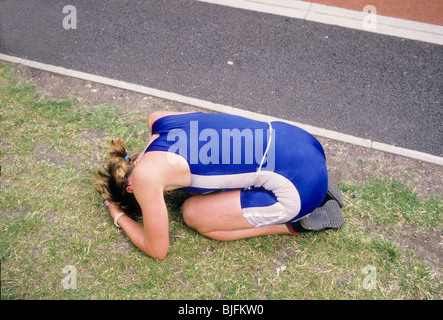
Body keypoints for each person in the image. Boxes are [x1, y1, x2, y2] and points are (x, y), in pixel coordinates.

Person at [94, 111, 344, 260]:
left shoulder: (144, 178)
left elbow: (157, 249)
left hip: (300, 188)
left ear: (131, 189)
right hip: (299, 140)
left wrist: (119, 216)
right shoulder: (159, 121)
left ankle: (296, 224)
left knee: (193, 214)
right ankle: (313, 183)